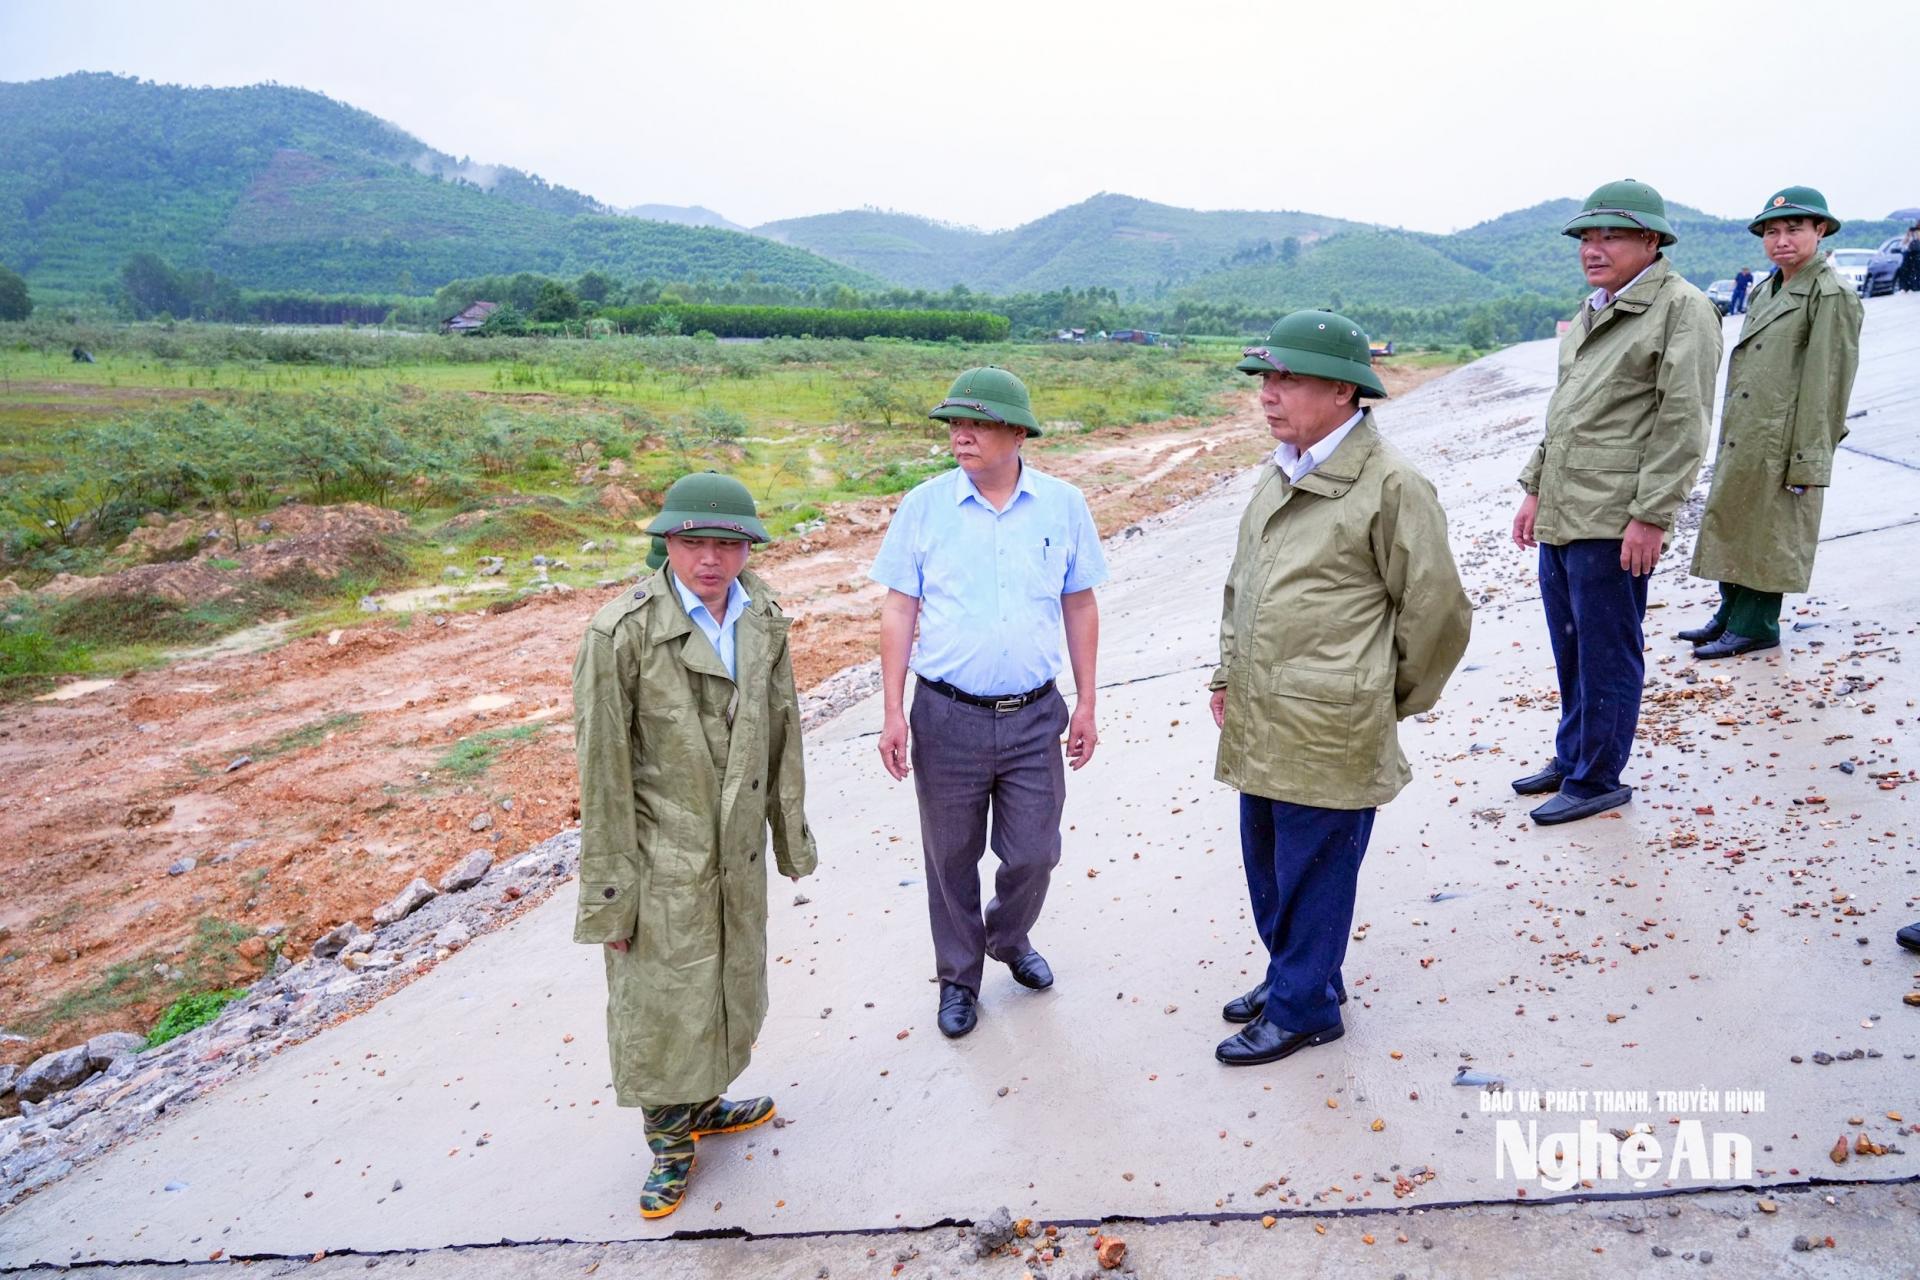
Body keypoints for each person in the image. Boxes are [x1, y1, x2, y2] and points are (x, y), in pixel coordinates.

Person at [1210, 311, 1471, 1065]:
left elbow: (1438, 612)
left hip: (1331, 721)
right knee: (1269, 861)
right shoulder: (1281, 470)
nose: (1268, 393)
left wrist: (1380, 699)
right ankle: (1301, 974)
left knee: (1316, 871)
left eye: (1288, 379)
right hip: (1264, 710)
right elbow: (1242, 587)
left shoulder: (1391, 484)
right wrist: (1228, 673)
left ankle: (1305, 1010)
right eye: (1265, 378)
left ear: (1343, 391)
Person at [571, 472, 818, 1219]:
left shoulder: (761, 615)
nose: (710, 559)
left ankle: (705, 1101)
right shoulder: (620, 633)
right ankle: (669, 1144)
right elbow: (602, 773)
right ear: (667, 543)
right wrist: (611, 900)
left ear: (748, 547)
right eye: (693, 542)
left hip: (734, 845)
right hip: (659, 852)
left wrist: (789, 836)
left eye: (727, 543)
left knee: (725, 979)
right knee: (659, 998)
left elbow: (783, 730)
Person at [870, 366, 1107, 1040]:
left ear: (1018, 432)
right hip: (946, 716)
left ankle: (1007, 936)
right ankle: (959, 978)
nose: (961, 435)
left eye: (977, 423)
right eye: (955, 424)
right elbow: (898, 608)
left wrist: (1086, 702)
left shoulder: (1063, 505)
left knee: (1035, 852)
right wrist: (892, 711)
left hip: (1034, 715)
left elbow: (1080, 603)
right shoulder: (924, 506)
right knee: (949, 856)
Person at [1510, 179, 1720, 825]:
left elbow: (1683, 422)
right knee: (1572, 646)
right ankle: (1574, 755)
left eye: (1611, 236)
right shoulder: (1595, 308)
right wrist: (1534, 489)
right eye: (1586, 237)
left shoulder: (1682, 309)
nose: (1593, 249)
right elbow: (1566, 413)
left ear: (1651, 241)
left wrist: (1652, 515)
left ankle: (1598, 776)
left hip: (1614, 514)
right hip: (1565, 508)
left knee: (1607, 651)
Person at [1684, 187, 1863, 659]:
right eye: (1772, 231)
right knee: (1736, 521)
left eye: (1794, 229)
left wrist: (1808, 458)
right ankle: (1731, 613)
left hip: (1786, 438)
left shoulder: (1830, 294)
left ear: (1820, 231)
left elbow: (1829, 383)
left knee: (1770, 532)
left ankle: (1757, 624)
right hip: (1749, 430)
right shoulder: (1767, 289)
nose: (1781, 240)